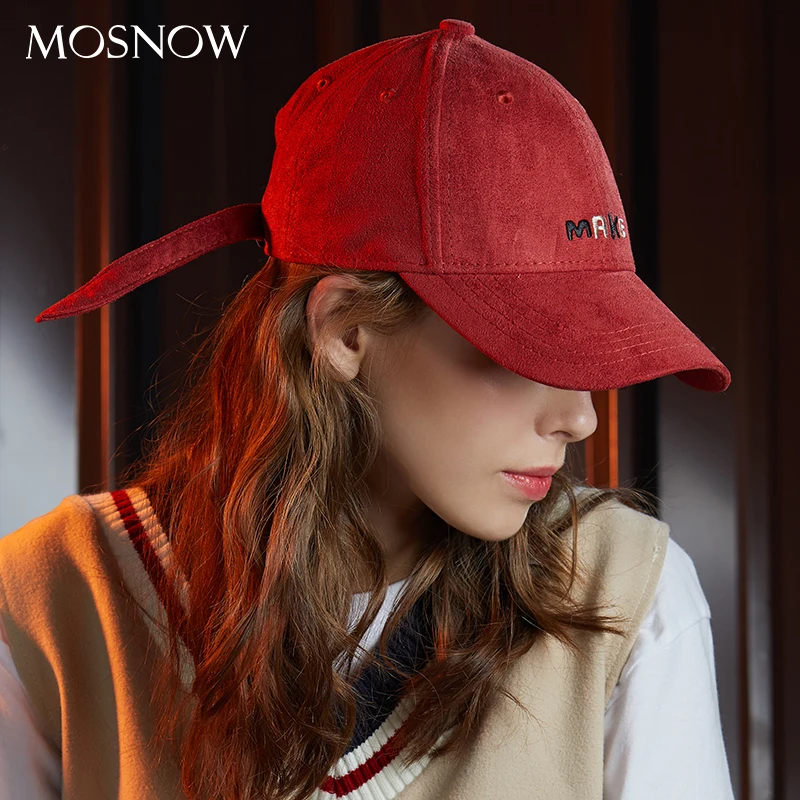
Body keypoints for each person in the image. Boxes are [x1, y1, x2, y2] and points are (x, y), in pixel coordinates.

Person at [0, 18, 735, 800]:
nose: (579, 419)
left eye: (588, 353)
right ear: (346, 331)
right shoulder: (51, 594)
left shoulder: (628, 593)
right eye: (523, 348)